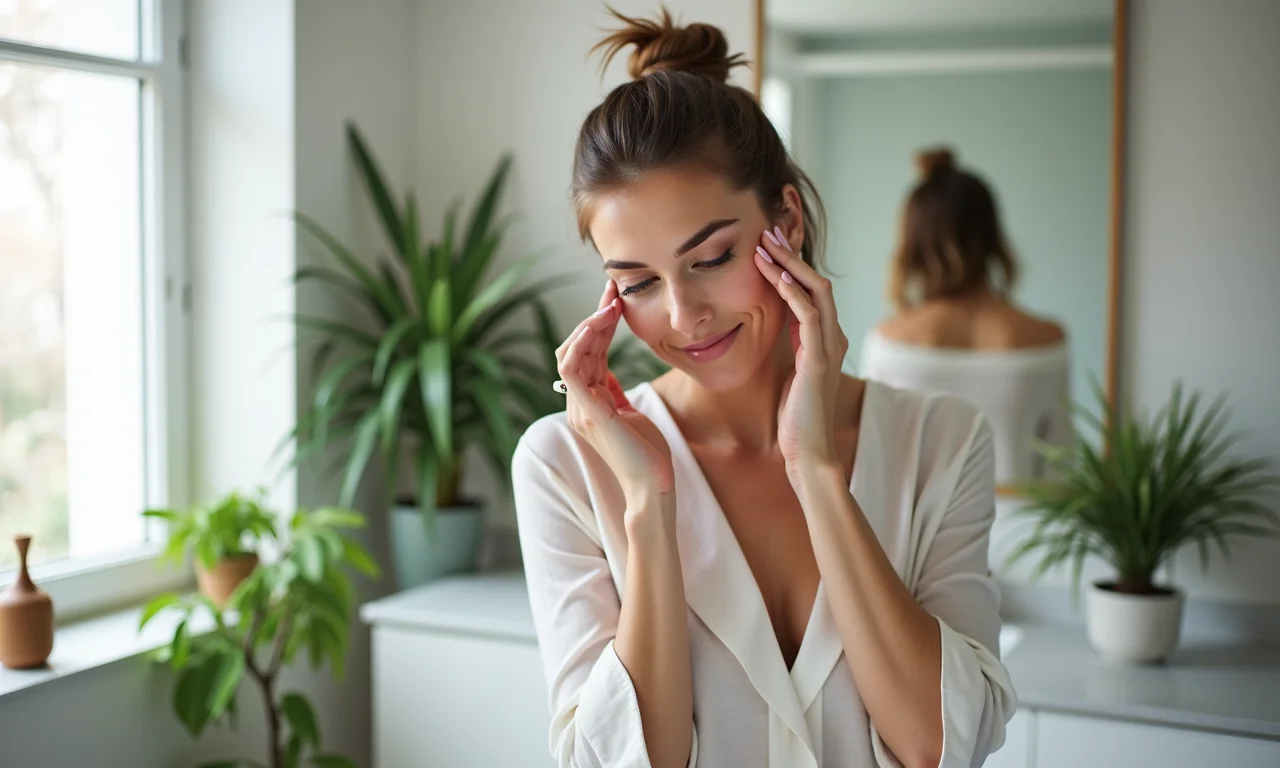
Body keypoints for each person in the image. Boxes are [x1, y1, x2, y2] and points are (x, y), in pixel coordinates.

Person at [512, 10, 1016, 768]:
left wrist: (816, 472)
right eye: (639, 281)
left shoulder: (942, 444)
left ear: (785, 219)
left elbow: (942, 745)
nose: (683, 316)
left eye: (711, 257)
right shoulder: (563, 466)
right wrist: (649, 505)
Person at [859, 148, 1072, 486]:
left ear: (913, 244)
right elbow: (1061, 469)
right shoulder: (1048, 339)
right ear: (990, 236)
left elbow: (873, 471)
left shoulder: (887, 342)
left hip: (922, 537)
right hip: (1027, 536)